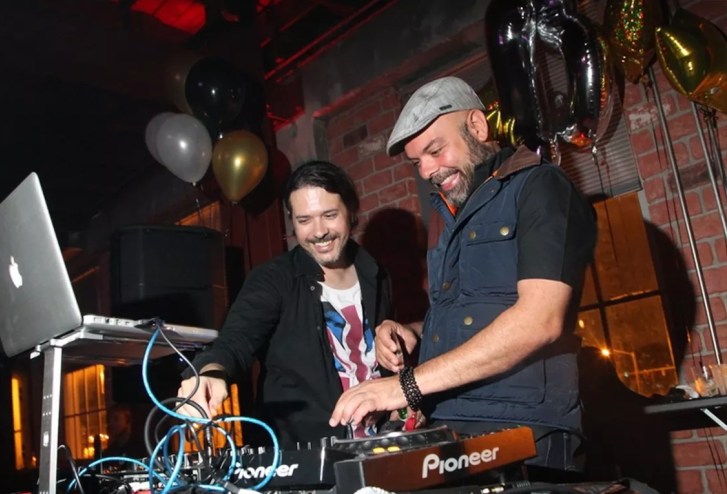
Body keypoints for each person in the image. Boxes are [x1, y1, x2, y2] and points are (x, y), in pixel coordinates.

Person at [330, 76, 597, 478]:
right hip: (451, 426)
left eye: (435, 150)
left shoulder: (541, 187)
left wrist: (405, 386)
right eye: (417, 162)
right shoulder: (455, 215)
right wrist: (412, 331)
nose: (427, 171)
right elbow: (471, 313)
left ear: (477, 126)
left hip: (526, 437)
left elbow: (540, 320)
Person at [177, 160, 393, 448]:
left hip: (378, 444)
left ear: (351, 211)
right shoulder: (274, 278)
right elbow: (235, 341)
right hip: (304, 454)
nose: (319, 231)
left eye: (329, 215)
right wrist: (210, 372)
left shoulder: (374, 272)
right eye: (304, 220)